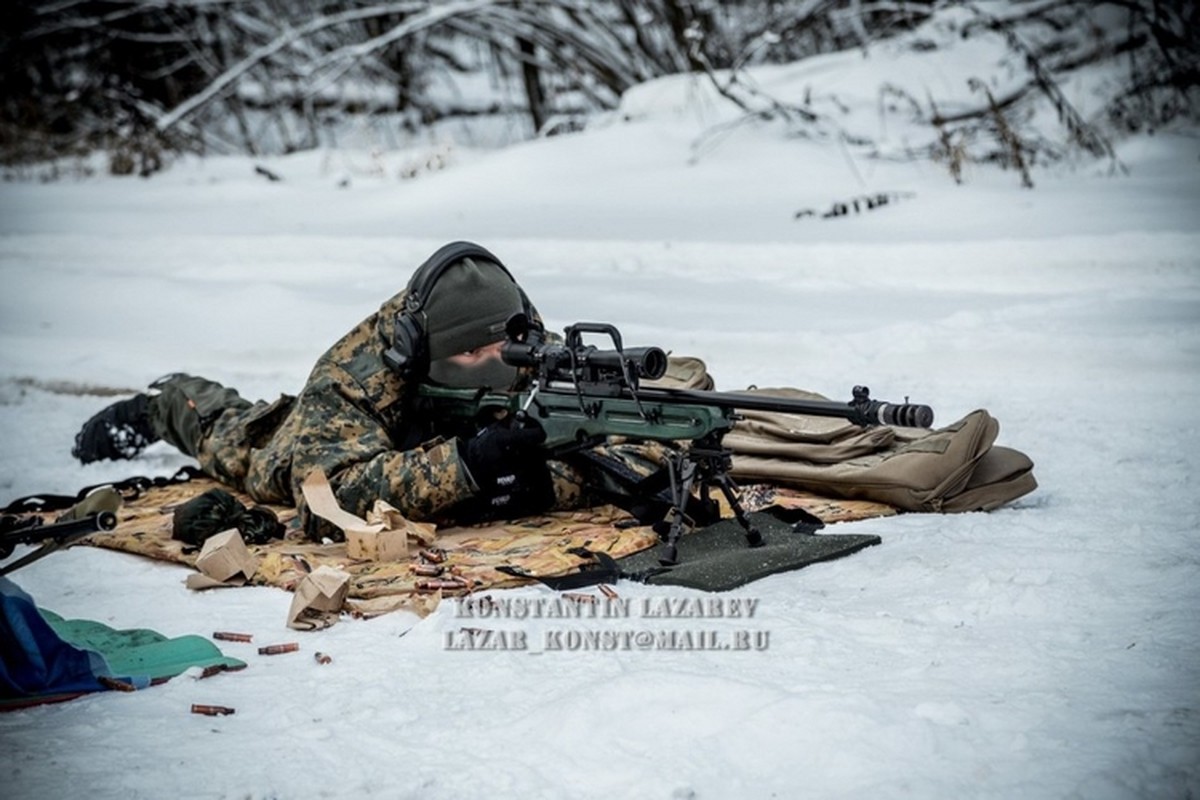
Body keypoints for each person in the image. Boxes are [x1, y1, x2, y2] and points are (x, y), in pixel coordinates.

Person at [72, 241, 668, 540]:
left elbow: (641, 447)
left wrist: (538, 482)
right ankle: (162, 404)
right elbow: (324, 501)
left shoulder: (535, 347)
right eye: (470, 355)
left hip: (420, 445)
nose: (494, 366)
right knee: (231, 434)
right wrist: (464, 468)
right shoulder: (352, 373)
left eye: (503, 350)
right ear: (423, 349)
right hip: (300, 449)